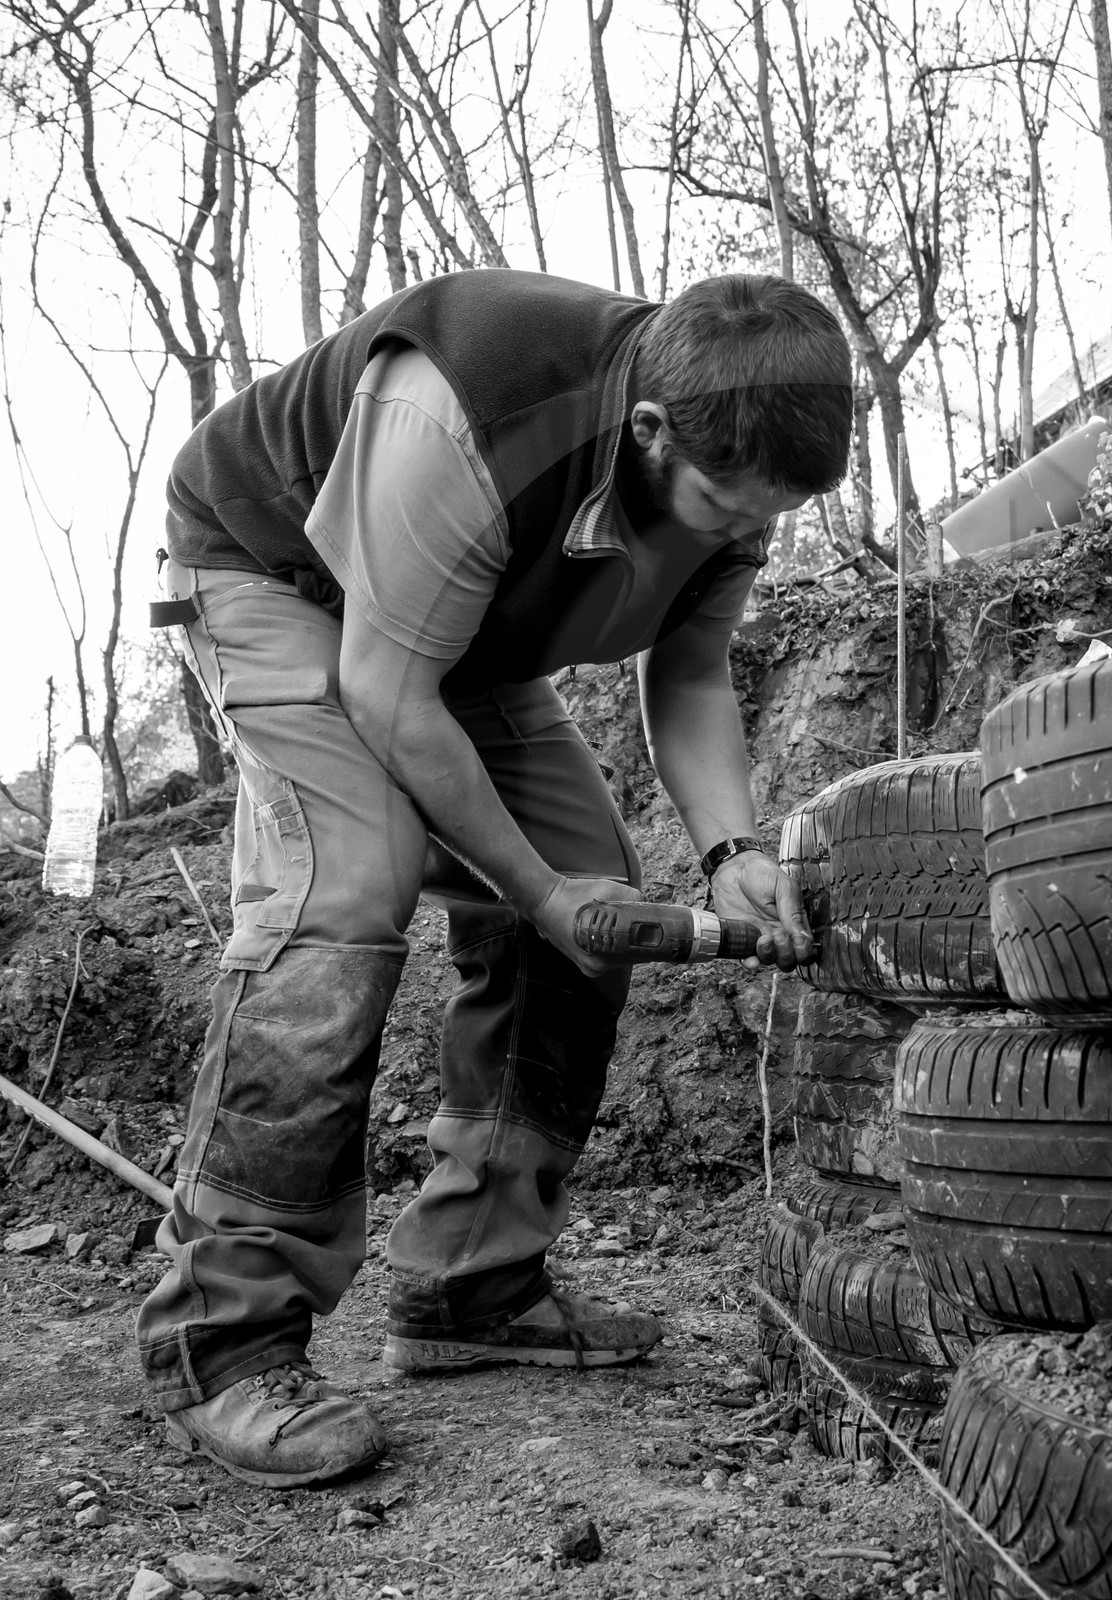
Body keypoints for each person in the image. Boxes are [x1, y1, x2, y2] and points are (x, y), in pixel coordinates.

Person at [138, 269, 851, 1488]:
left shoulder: (739, 464)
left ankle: (474, 1275)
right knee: (346, 886)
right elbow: (384, 691)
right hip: (280, 578)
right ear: (648, 432)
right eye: (723, 510)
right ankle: (224, 1338)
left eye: (762, 523)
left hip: (451, 632)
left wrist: (733, 852)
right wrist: (532, 890)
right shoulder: (465, 411)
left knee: (597, 888)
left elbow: (689, 672)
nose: (743, 539)